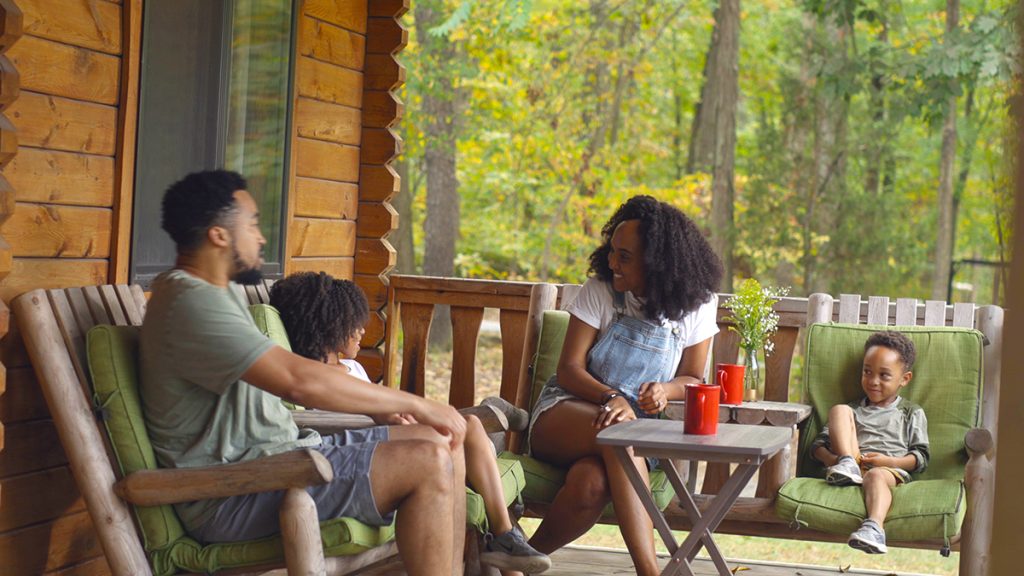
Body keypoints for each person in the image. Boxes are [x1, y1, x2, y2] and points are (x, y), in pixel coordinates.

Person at [140, 170, 470, 576]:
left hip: (280, 462)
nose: (261, 238)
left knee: (444, 440)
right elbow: (301, 380)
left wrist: (391, 411)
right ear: (219, 235)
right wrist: (419, 403)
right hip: (237, 491)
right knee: (428, 459)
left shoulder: (214, 293)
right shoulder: (191, 304)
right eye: (253, 224)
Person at [268, 271, 551, 574]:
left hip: (391, 434)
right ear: (329, 323)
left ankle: (505, 535)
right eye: (353, 323)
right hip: (370, 449)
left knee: (468, 423)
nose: (362, 329)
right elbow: (345, 417)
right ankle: (505, 535)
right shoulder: (312, 375)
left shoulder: (350, 366)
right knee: (465, 427)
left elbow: (383, 404)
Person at [526, 195, 723, 576]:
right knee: (620, 432)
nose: (612, 262)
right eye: (612, 251)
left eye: (625, 256)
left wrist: (665, 391)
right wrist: (613, 397)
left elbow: (693, 377)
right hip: (566, 413)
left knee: (590, 484)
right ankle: (650, 572)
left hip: (632, 435)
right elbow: (568, 370)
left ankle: (512, 560)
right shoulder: (601, 290)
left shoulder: (698, 304)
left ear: (658, 263)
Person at [811, 330, 930, 554]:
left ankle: (874, 528)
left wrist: (889, 462)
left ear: (904, 379)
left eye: (884, 375)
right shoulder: (853, 409)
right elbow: (818, 446)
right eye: (867, 372)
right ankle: (846, 464)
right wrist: (835, 460)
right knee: (838, 409)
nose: (873, 381)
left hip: (888, 470)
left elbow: (920, 458)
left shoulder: (910, 412)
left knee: (876, 475)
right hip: (851, 465)